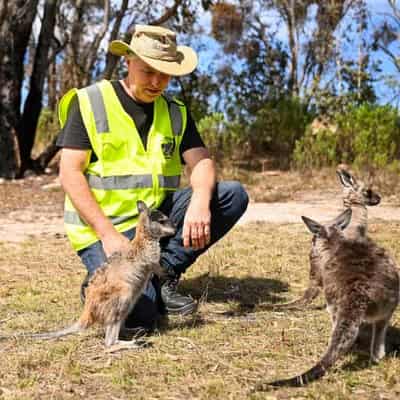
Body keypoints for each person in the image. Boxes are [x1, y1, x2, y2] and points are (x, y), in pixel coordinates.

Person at [56, 24, 249, 331]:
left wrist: (200, 201)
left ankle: (163, 276)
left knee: (230, 194)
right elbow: (69, 174)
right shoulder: (90, 102)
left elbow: (201, 162)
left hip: (151, 223)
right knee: (140, 316)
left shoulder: (175, 111)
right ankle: (96, 286)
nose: (158, 82)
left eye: (166, 73)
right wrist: (107, 234)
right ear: (128, 61)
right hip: (103, 227)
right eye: (148, 71)